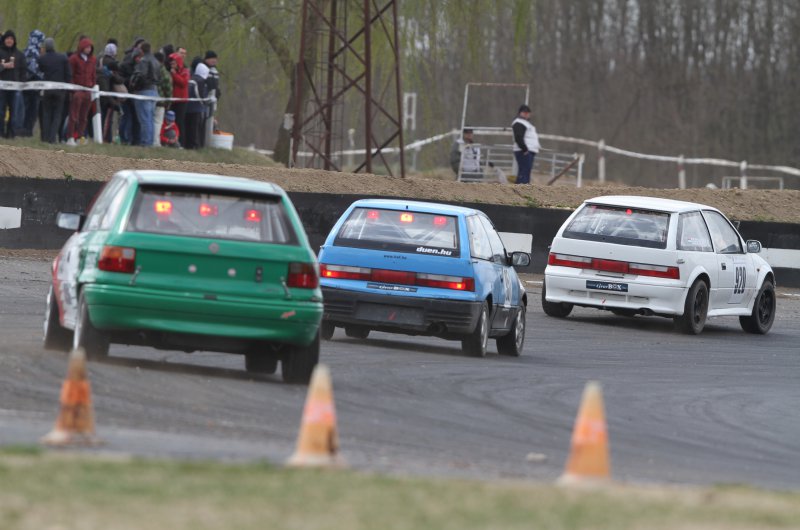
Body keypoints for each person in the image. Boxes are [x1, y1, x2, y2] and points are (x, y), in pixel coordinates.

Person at [37, 38, 71, 144]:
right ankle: (52, 138)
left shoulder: (42, 58)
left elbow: (41, 70)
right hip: (60, 90)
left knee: (46, 113)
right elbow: (68, 74)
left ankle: (46, 137)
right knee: (57, 114)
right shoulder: (63, 58)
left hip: (47, 90)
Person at [65, 37, 96, 146]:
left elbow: (93, 74)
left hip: (88, 91)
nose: (88, 49)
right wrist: (74, 89)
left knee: (84, 117)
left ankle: (80, 137)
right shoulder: (73, 59)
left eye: (90, 47)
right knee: (73, 116)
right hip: (77, 91)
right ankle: (70, 138)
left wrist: (92, 85)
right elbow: (70, 75)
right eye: (87, 47)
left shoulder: (93, 60)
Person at [131, 41, 161, 146]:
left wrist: (134, 85)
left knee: (144, 119)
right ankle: (150, 141)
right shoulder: (156, 61)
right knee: (150, 118)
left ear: (141, 50)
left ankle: (145, 142)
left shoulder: (144, 61)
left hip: (144, 91)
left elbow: (141, 75)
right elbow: (159, 77)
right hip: (154, 90)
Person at [0, 30, 28, 138]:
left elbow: (23, 71)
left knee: (14, 112)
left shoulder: (19, 55)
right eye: (7, 38)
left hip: (15, 88)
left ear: (14, 41)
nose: (9, 40)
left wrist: (22, 84)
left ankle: (11, 133)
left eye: (11, 39)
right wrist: (3, 66)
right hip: (1, 88)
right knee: (1, 111)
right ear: (4, 40)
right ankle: (1, 132)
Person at [22, 29, 45, 137]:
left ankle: (26, 130)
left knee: (27, 108)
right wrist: (42, 78)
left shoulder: (26, 50)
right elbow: (34, 69)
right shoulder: (33, 52)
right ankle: (27, 130)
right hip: (33, 84)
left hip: (26, 84)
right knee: (31, 109)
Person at [96, 41, 120, 143]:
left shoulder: (100, 60)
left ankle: (101, 136)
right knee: (107, 119)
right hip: (108, 93)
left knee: (101, 116)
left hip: (100, 91)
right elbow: (118, 79)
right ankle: (106, 138)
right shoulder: (112, 63)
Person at [511, 104, 540, 184]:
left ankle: (524, 187)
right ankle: (522, 187)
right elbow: (518, 137)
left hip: (529, 150)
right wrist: (524, 149)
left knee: (526, 171)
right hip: (523, 151)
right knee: (524, 171)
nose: (526, 114)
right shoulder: (518, 123)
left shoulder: (526, 123)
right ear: (520, 113)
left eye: (527, 112)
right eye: (524, 112)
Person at [184, 61, 208, 149]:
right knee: (195, 128)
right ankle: (195, 145)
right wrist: (204, 103)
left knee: (188, 127)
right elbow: (201, 94)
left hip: (187, 107)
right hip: (197, 108)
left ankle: (187, 144)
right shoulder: (201, 81)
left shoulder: (191, 78)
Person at [168, 52, 189, 148]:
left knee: (180, 122)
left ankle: (182, 143)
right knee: (172, 122)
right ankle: (172, 141)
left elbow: (183, 83)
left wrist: (175, 75)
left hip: (181, 101)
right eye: (171, 63)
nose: (172, 65)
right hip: (173, 100)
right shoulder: (171, 72)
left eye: (174, 63)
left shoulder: (185, 71)